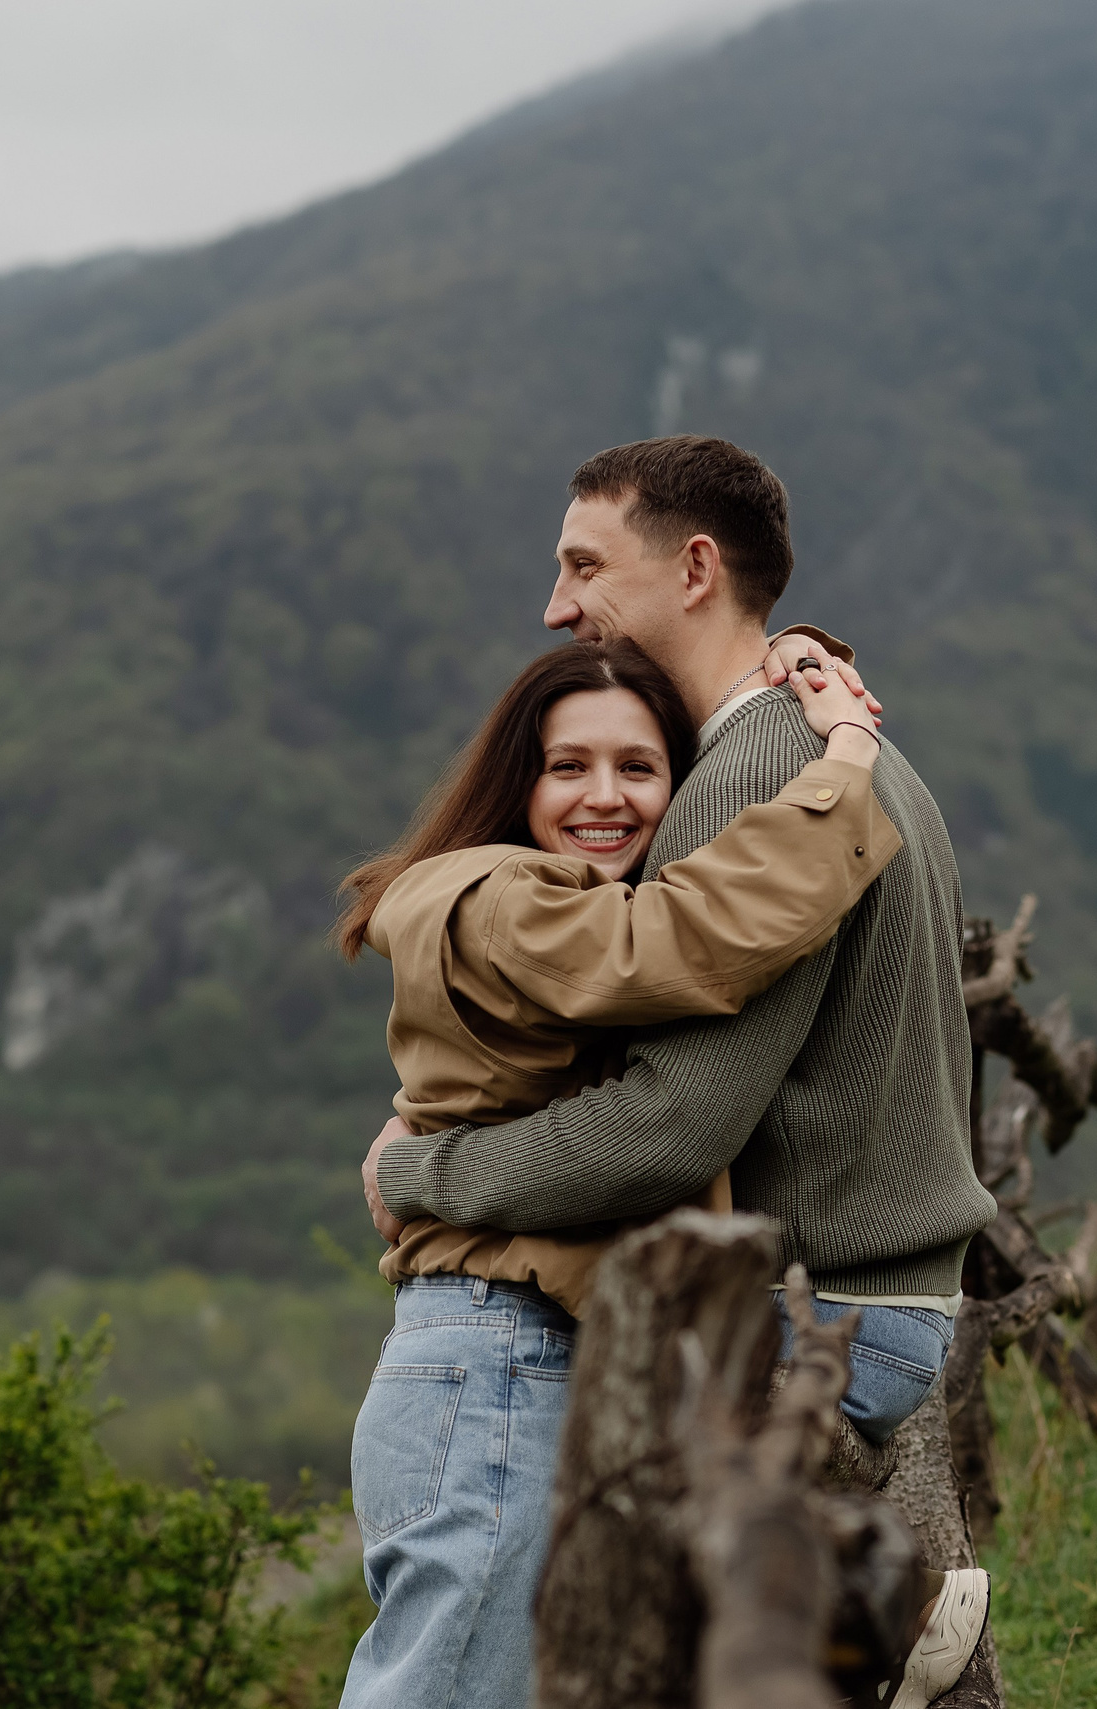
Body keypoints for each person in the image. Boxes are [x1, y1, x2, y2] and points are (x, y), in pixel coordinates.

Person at [357, 436, 997, 1709]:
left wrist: (424, 1170)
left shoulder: (756, 774)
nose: (556, 603)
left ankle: (859, 1610)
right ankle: (849, 1611)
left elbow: (669, 1126)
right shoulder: (844, 750)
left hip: (821, 1314)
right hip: (895, 1302)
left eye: (584, 564)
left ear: (694, 567)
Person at [335, 628, 893, 1708]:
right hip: (501, 1357)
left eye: (640, 767)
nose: (606, 796)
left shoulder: (550, 902)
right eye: (568, 765)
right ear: (516, 781)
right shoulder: (501, 895)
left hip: (528, 1353)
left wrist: (775, 647)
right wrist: (847, 761)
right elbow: (682, 938)